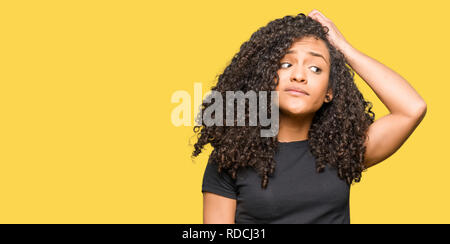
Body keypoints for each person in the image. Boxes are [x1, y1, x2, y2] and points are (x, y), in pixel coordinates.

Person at [192, 10, 427, 224]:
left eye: (315, 68)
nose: (299, 76)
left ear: (329, 92)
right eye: (286, 64)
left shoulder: (342, 151)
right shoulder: (230, 158)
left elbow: (411, 108)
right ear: (265, 79)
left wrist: (344, 49)